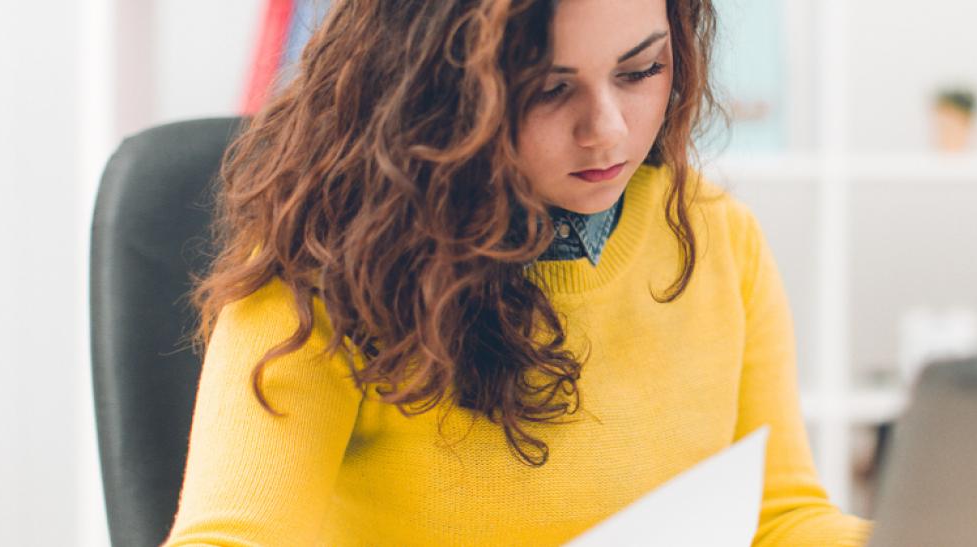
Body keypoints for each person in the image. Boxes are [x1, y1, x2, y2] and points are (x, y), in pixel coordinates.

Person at [163, 0, 873, 545]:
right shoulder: (321, 272)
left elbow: (780, 517)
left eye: (640, 71)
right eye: (548, 89)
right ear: (438, 90)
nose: (609, 130)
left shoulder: (717, 236)